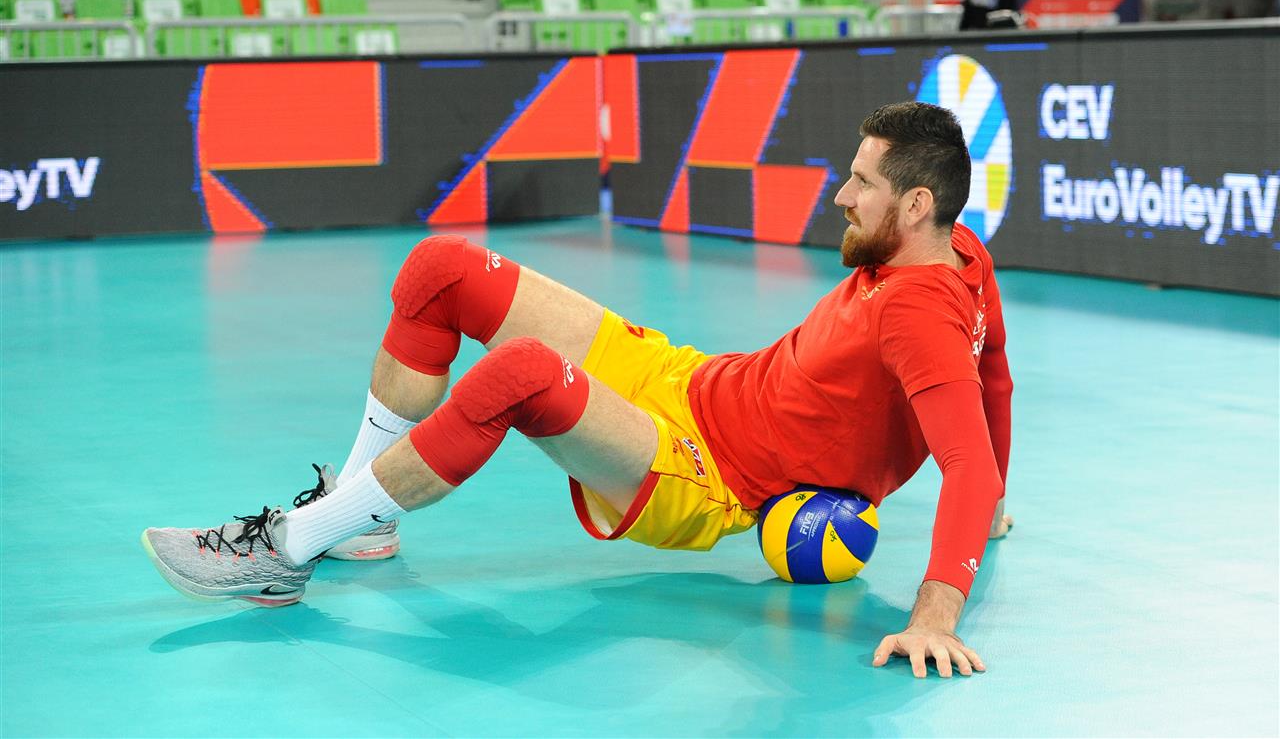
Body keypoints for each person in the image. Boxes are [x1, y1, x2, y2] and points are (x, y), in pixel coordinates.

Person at [143, 101, 1015, 681]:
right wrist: (998, 503)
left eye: (863, 183)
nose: (842, 195)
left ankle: (287, 547)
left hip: (704, 470)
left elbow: (965, 462)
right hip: (691, 378)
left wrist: (935, 612)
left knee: (522, 375)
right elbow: (997, 378)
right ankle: (362, 518)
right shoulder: (965, 256)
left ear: (915, 206)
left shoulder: (917, 312)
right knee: (443, 270)